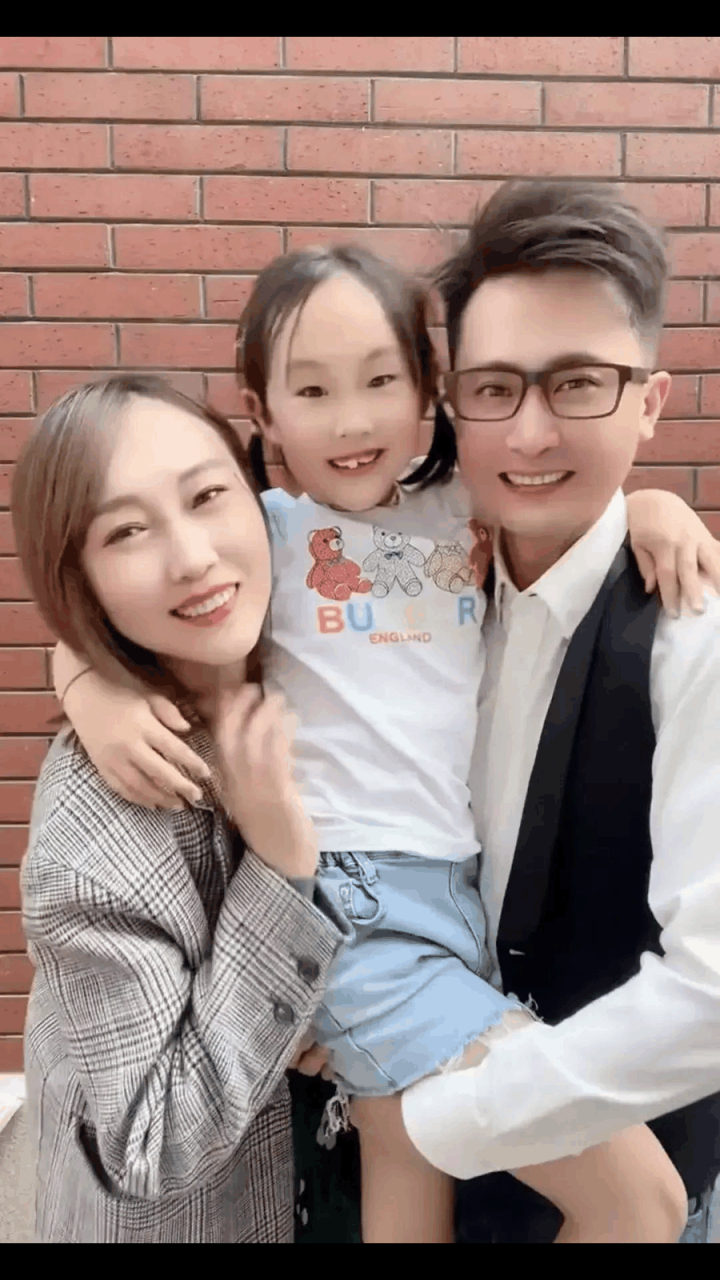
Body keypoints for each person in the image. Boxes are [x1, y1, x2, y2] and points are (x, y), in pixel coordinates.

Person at [51, 246, 720, 1244]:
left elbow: (579, 499)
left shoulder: (461, 507)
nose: (352, 421)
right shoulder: (264, 530)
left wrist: (655, 509)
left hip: (457, 898)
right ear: (262, 410)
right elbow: (120, 604)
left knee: (408, 1176)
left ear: (427, 389)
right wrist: (91, 687)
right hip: (354, 903)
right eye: (312, 391)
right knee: (639, 1200)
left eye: (379, 380)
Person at [386, 180, 720, 1245]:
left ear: (650, 402)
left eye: (578, 383)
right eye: (494, 388)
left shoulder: (693, 638)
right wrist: (88, 677)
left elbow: (712, 990)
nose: (530, 433)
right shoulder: (409, 581)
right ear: (453, 401)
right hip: (409, 1184)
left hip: (632, 1193)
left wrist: (448, 1115)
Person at [11, 376, 350, 1244]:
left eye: (206, 496)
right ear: (77, 577)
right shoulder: (95, 835)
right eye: (126, 531)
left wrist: (647, 516)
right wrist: (277, 869)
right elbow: (150, 1145)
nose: (193, 556)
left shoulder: (333, 638)